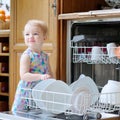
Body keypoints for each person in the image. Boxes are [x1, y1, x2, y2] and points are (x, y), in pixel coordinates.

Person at [11, 19, 53, 112]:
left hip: (39, 93)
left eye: (35, 34)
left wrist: (54, 84)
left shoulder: (45, 56)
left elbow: (50, 74)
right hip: (26, 93)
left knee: (37, 113)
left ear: (44, 37)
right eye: (27, 34)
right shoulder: (27, 56)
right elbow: (24, 76)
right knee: (21, 115)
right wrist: (41, 77)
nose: (30, 36)